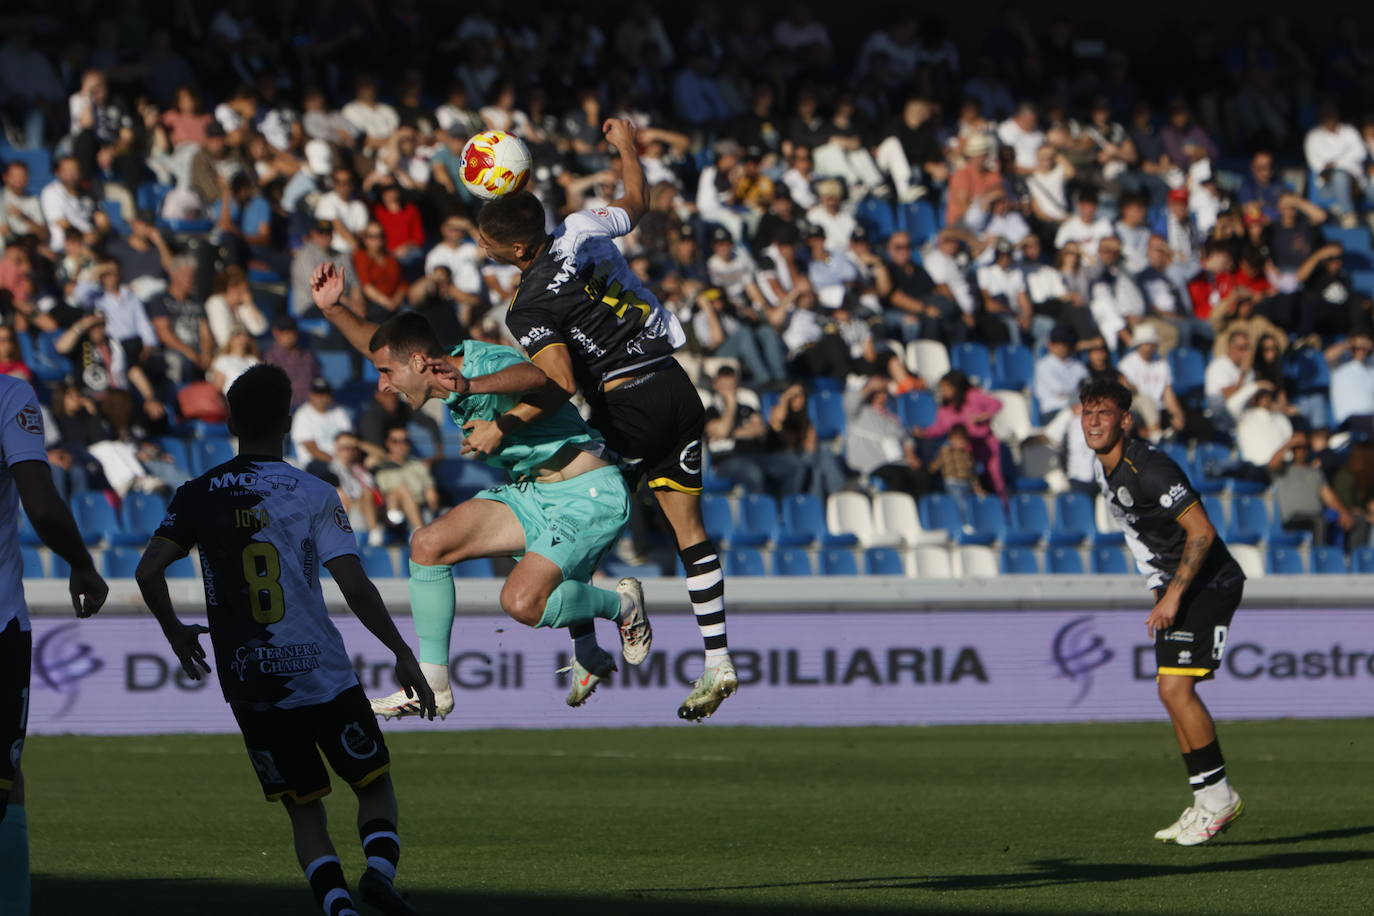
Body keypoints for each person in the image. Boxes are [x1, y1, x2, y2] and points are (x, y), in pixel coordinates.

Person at [322, 118, 737, 722]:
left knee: (575, 493)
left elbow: (560, 380)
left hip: (626, 402)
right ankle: (719, 660)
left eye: (488, 246)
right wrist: (623, 148)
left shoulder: (529, 306)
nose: (482, 252)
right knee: (689, 532)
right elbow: (637, 201)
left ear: (516, 249)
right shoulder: (580, 228)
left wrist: (492, 412)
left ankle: (596, 634)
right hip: (675, 385)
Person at [133, 364, 433, 916]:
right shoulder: (315, 492)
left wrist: (176, 634)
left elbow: (148, 572)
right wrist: (402, 653)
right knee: (372, 785)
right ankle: (378, 873)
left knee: (304, 809)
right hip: (319, 668)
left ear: (230, 420)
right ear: (288, 421)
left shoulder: (197, 494)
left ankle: (338, 908)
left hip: (250, 679)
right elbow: (356, 588)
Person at [308, 304, 651, 716]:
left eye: (386, 373)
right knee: (428, 544)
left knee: (521, 603)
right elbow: (382, 345)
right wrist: (334, 308)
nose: (383, 385)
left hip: (588, 493)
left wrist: (486, 406)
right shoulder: (432, 370)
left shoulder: (482, 363)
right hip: (534, 493)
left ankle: (623, 607)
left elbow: (538, 379)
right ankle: (432, 686)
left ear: (418, 362)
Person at [1081, 378, 1245, 846]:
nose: (1094, 423)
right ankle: (1205, 800)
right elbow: (1143, 537)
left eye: (1104, 414)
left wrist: (1172, 595)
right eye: (1087, 414)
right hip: (1174, 584)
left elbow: (1201, 531)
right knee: (1169, 691)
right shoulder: (1101, 467)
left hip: (1208, 583)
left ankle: (1220, 798)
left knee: (1175, 689)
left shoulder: (1150, 469)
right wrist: (1160, 588)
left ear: (1125, 420)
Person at [0, 373, 109, 915]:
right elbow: (40, 505)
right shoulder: (9, 393)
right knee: (6, 783)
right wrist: (82, 563)